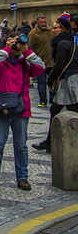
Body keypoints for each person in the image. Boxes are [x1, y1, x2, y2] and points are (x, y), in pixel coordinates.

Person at [0, 32, 45, 190]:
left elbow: (41, 68)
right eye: (11, 40)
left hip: (21, 107)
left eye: (17, 41)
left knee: (21, 145)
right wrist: (6, 50)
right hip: (1, 107)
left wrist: (27, 51)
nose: (14, 43)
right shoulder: (2, 59)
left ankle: (22, 177)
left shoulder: (25, 62)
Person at [32, 16, 78, 153]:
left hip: (68, 81)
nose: (53, 30)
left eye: (56, 28)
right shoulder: (70, 42)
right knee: (56, 109)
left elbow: (58, 65)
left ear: (63, 29)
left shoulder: (62, 43)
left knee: (65, 109)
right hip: (70, 79)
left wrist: (51, 79)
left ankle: (50, 143)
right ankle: (49, 142)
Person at [27, 15, 54, 107]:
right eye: (41, 22)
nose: (43, 24)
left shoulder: (50, 31)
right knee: (41, 82)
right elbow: (30, 48)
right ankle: (43, 100)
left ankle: (52, 99)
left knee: (53, 82)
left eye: (44, 22)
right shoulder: (33, 33)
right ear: (37, 22)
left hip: (51, 62)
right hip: (40, 63)